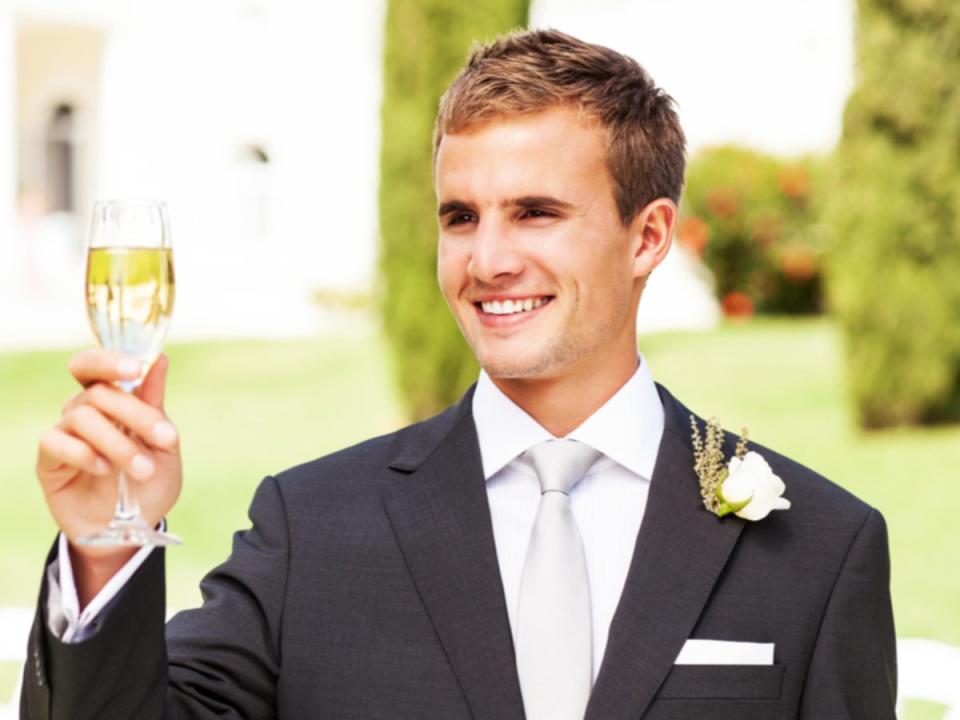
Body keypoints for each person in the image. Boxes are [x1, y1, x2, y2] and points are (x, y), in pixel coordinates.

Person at [22, 29, 896, 720]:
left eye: (536, 213)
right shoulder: (311, 528)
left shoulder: (822, 549)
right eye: (461, 216)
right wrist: (107, 550)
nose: (487, 259)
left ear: (649, 236)